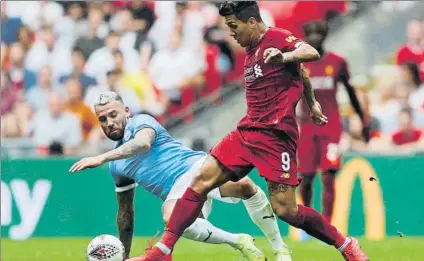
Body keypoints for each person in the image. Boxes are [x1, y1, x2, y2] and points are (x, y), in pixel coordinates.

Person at [130, 2, 368, 261]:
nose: (231, 33)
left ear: (252, 22)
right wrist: (312, 103)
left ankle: (345, 244)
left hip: (276, 138)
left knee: (286, 210)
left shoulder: (276, 37)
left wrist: (284, 57)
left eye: (234, 26)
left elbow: (309, 53)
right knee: (200, 181)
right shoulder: (251, 49)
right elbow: (302, 74)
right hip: (247, 132)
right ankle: (163, 251)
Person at [69, 91, 293, 261]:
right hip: (177, 193)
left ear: (126, 111)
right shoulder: (117, 167)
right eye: (103, 119)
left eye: (113, 115)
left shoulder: (141, 122)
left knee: (245, 186)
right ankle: (238, 241)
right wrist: (125, 256)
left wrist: (101, 157)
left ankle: (280, 248)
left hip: (195, 166)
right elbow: (126, 213)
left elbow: (143, 143)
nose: (109, 123)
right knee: (172, 219)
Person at [297, 20, 366, 226]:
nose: (315, 37)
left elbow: (350, 90)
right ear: (305, 36)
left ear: (326, 35)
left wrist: (363, 119)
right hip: (307, 127)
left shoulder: (337, 62)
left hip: (331, 127)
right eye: (311, 33)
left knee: (329, 175)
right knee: (306, 177)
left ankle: (327, 224)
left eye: (319, 33)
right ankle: (307, 221)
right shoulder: (298, 63)